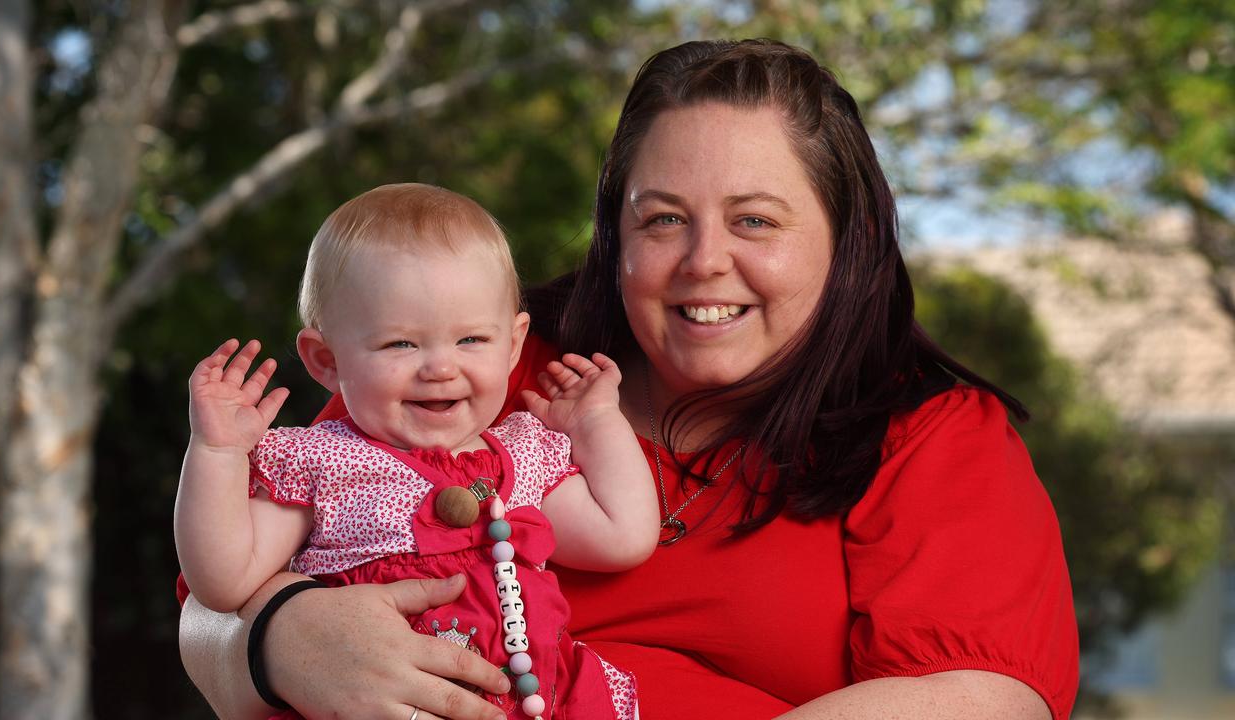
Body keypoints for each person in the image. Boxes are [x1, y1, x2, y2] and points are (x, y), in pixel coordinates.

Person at [178, 40, 1080, 720]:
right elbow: (210, 606)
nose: (703, 262)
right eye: (663, 221)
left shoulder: (931, 435)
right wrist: (279, 638)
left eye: (756, 221)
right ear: (616, 235)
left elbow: (983, 700)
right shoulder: (474, 370)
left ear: (847, 245)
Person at [174, 183, 654, 719]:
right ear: (325, 360)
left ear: (514, 344)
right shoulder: (323, 464)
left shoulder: (522, 458)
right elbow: (222, 581)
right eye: (400, 343)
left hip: (538, 700)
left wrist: (597, 422)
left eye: (471, 340)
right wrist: (216, 452)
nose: (440, 367)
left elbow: (624, 535)